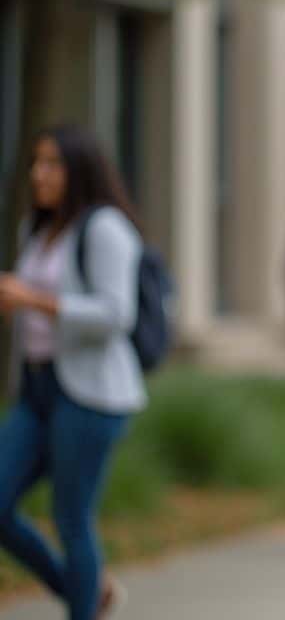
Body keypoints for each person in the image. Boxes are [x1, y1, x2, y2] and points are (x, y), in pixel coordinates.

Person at [0, 126, 145, 619]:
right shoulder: (36, 229)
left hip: (91, 395)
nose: (39, 174)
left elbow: (116, 315)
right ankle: (85, 591)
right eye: (37, 162)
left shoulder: (105, 228)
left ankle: (82, 606)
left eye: (52, 164)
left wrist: (33, 299)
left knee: (71, 518)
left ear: (79, 169)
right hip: (38, 389)